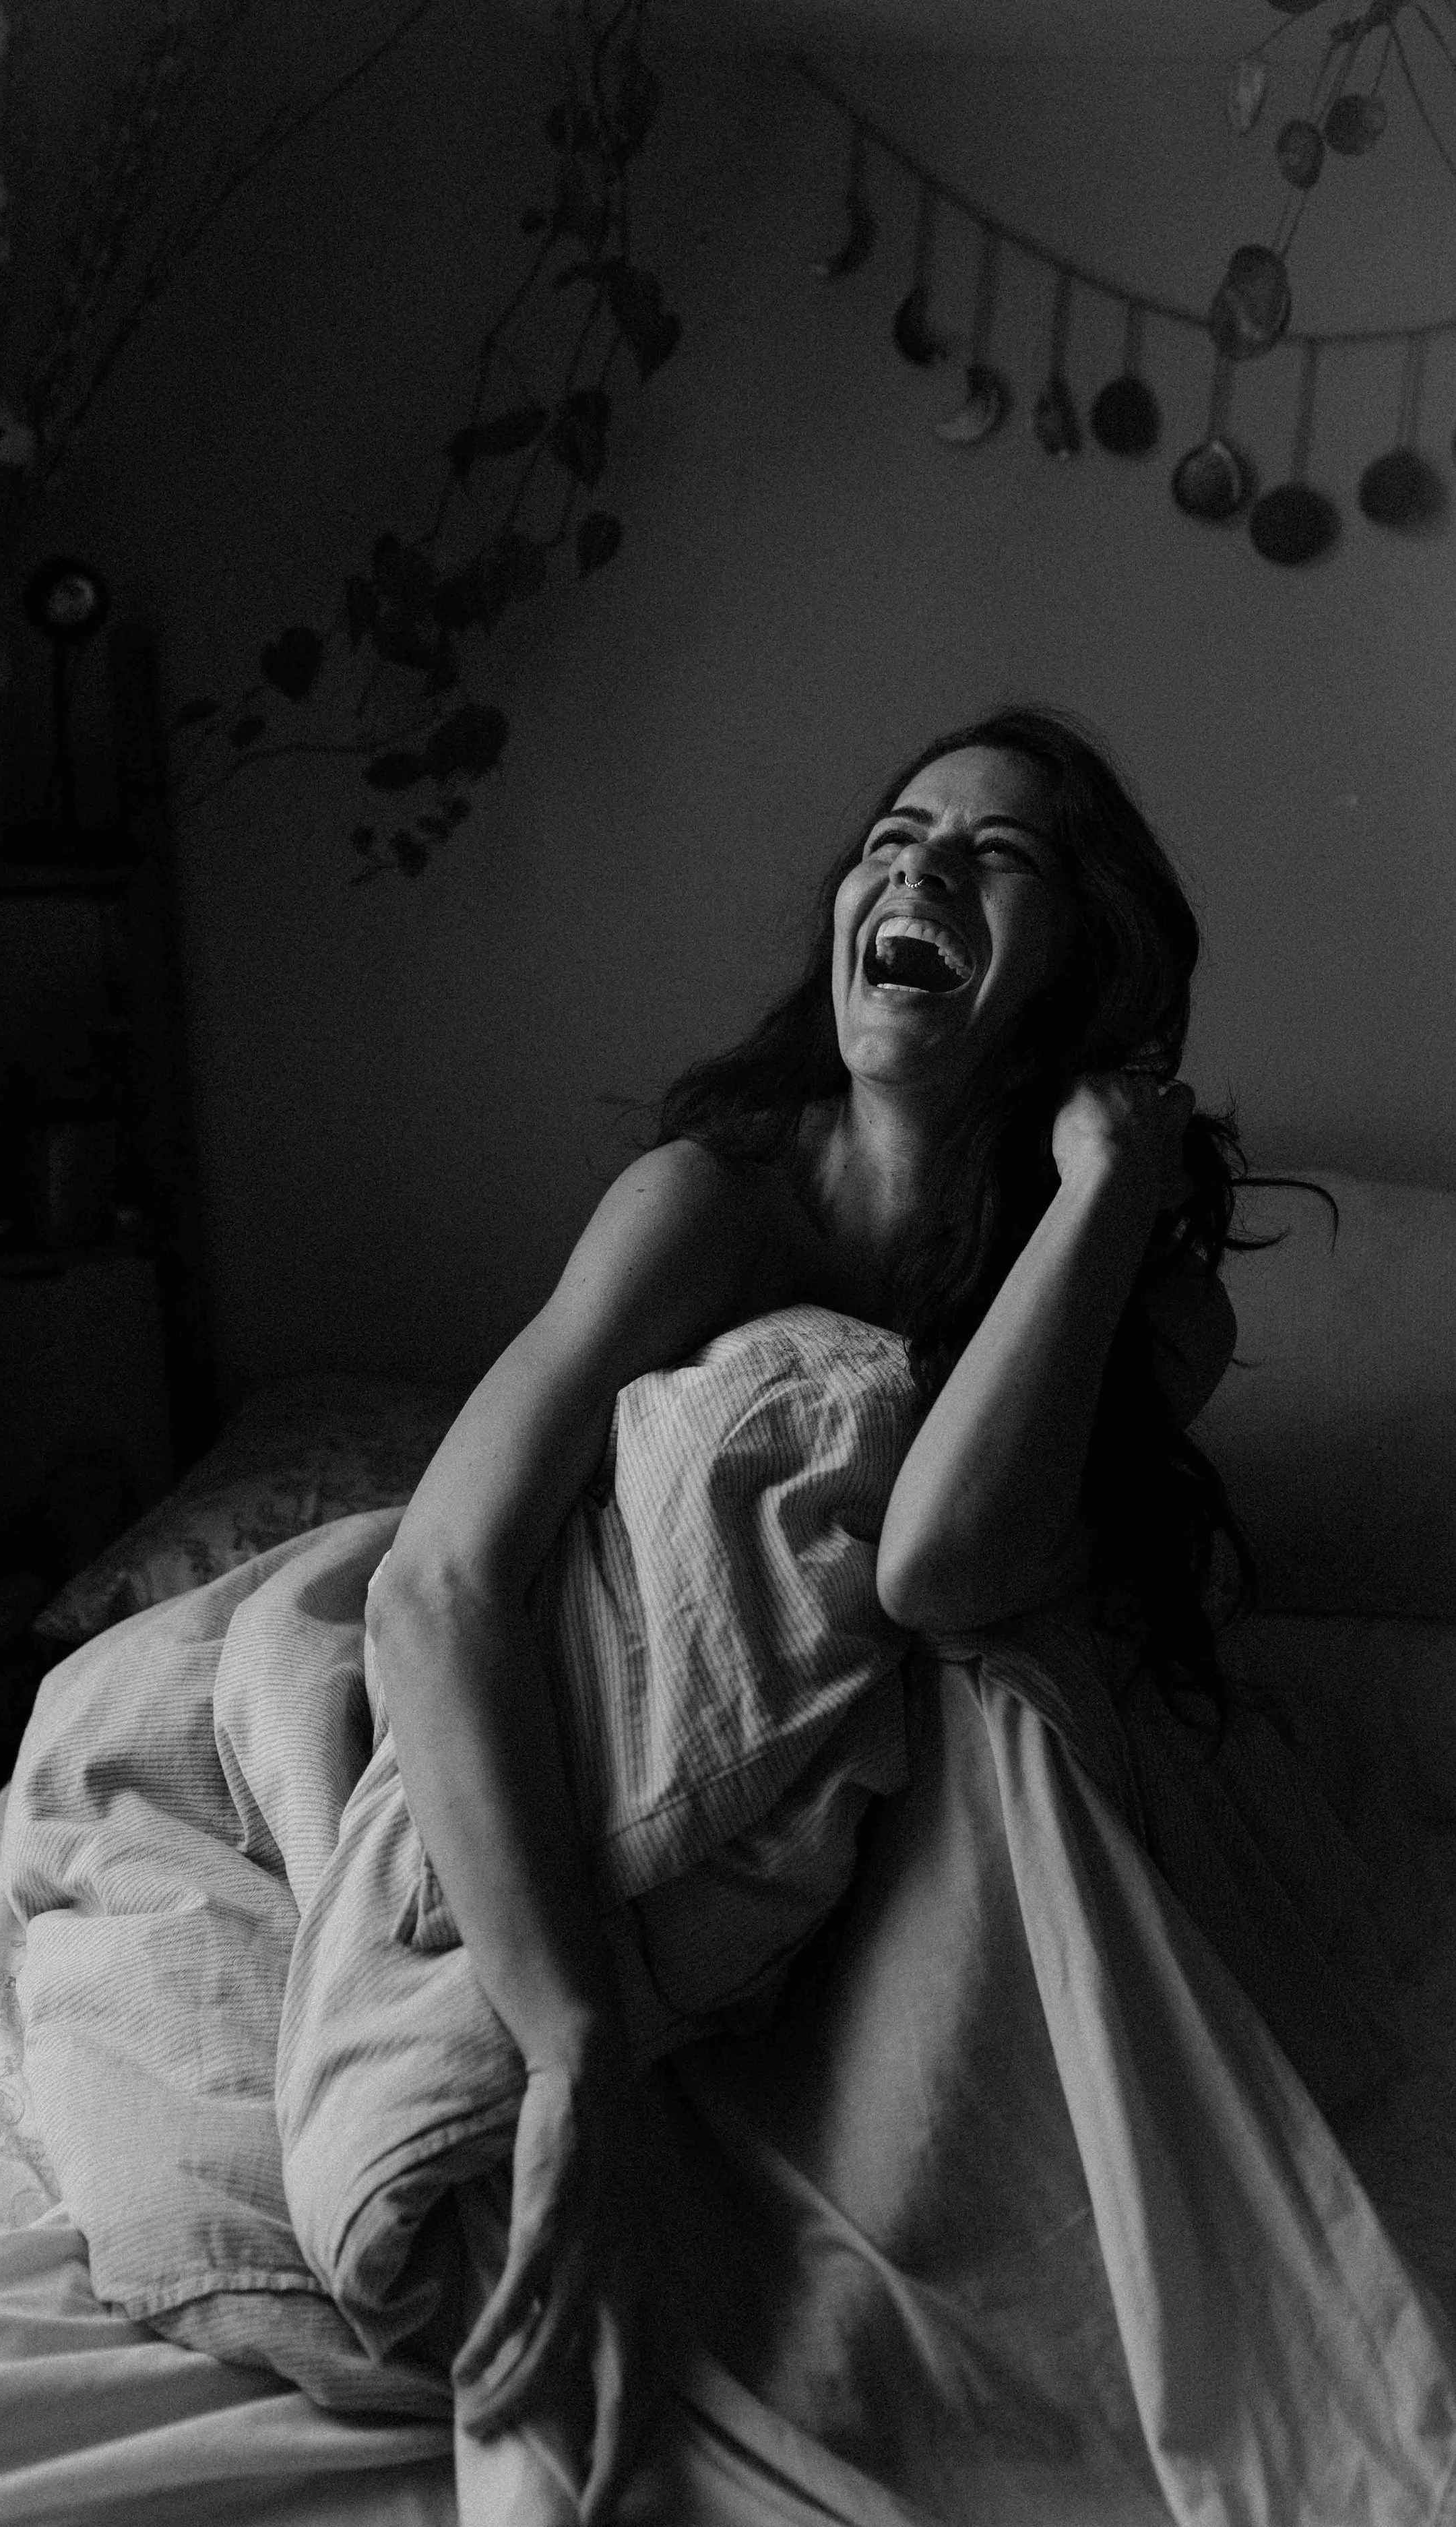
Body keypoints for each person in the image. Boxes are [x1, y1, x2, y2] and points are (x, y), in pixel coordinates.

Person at [366, 705, 1243, 2518]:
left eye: (992, 854)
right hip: (616, 1778)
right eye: (892, 834)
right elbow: (443, 1579)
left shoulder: (1143, 1304)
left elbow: (942, 1567)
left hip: (890, 1860)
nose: (911, 866)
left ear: (1090, 965)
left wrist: (1093, 1202)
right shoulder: (707, 1202)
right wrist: (571, 2043)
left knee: (998, 1700)